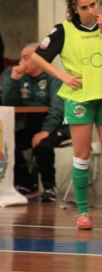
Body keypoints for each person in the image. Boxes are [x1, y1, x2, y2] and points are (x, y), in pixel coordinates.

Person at [32, 0, 102, 230]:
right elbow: (37, 57)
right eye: (84, 7)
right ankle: (83, 212)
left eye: (93, 4)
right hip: (79, 100)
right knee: (82, 156)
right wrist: (62, 76)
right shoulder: (63, 30)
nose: (91, 11)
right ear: (75, 9)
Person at [1, 43, 70, 202]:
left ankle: (49, 187)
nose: (21, 62)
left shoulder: (54, 78)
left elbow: (58, 109)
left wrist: (45, 131)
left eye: (26, 58)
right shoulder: (21, 77)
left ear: (40, 59)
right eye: (21, 58)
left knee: (42, 144)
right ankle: (28, 185)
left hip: (57, 126)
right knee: (7, 144)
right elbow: (8, 104)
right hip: (32, 125)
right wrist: (13, 81)